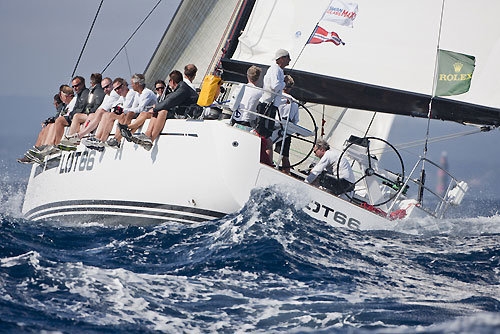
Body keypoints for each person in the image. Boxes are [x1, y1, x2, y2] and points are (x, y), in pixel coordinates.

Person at [133, 70, 197, 150]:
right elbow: (168, 101)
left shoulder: (182, 89)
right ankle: (147, 135)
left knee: (162, 111)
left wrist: (155, 107)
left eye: (169, 81)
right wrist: (156, 108)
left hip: (189, 114)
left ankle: (150, 140)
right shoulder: (180, 88)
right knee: (158, 110)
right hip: (184, 112)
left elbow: (169, 102)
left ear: (172, 81)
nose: (169, 84)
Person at [256, 49, 291, 165]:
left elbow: (274, 90)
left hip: (270, 106)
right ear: (281, 58)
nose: (289, 60)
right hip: (267, 106)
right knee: (264, 136)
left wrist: (282, 101)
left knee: (267, 137)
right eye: (287, 57)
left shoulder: (278, 70)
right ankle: (265, 161)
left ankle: (266, 161)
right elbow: (275, 86)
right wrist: (285, 83)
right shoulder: (275, 69)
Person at [88, 78, 139, 149]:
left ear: (124, 85)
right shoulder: (122, 96)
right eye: (115, 89)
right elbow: (115, 106)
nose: (117, 91)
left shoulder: (131, 93)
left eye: (119, 88)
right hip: (126, 114)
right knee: (107, 114)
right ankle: (100, 140)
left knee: (119, 115)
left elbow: (125, 109)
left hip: (134, 115)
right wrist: (117, 108)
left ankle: (116, 140)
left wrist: (118, 108)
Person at [115, 73, 157, 143]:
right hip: (144, 113)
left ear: (137, 84)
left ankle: (127, 128)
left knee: (141, 113)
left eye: (132, 84)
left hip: (152, 114)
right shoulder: (138, 93)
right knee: (129, 113)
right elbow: (134, 108)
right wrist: (125, 111)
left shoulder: (147, 93)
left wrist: (124, 110)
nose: (131, 86)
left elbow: (140, 109)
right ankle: (127, 134)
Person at [274, 75, 299, 174]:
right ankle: (286, 173)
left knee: (266, 146)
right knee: (285, 156)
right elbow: (295, 120)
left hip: (274, 125)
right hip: (286, 129)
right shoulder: (295, 102)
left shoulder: (277, 96)